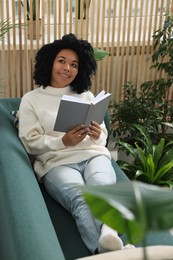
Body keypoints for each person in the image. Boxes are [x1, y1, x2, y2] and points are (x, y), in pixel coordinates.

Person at [18, 33, 131, 254]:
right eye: (61, 61)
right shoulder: (31, 99)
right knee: (81, 198)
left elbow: (102, 135)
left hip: (93, 155)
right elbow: (30, 142)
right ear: (49, 62)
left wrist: (98, 133)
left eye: (74, 64)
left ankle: (108, 233)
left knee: (101, 186)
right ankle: (107, 251)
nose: (67, 68)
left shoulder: (86, 95)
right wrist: (63, 141)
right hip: (56, 163)